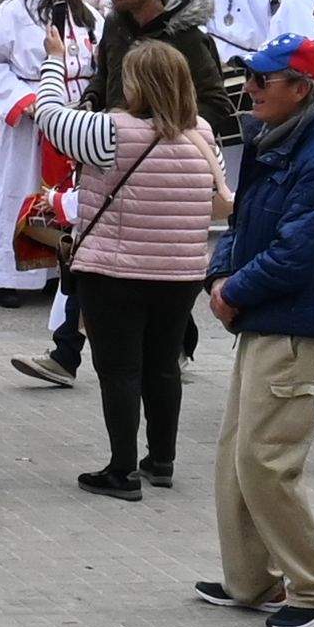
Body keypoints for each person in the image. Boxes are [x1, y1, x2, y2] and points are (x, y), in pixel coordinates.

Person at [205, 30, 314, 627]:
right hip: (264, 317)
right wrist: (220, 278)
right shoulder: (277, 137)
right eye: (249, 76)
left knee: (266, 462)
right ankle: (250, 578)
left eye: (261, 80)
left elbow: (295, 254)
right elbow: (242, 223)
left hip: (292, 324)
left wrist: (232, 291)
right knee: (238, 456)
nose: (249, 89)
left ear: (300, 88)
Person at [43, 38, 222, 503]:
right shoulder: (204, 135)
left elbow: (49, 117)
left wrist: (54, 63)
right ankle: (161, 459)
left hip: (115, 272)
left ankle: (120, 470)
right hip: (180, 272)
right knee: (162, 366)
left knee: (119, 368)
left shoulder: (108, 131)